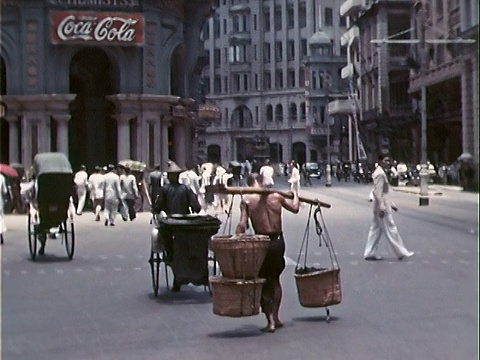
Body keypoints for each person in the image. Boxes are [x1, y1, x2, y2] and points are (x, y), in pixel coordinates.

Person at [235, 173, 300, 333]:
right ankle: (276, 317)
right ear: (262, 182)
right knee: (276, 279)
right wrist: (296, 195)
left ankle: (270, 320)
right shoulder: (277, 196)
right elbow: (296, 208)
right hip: (278, 241)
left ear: (249, 183)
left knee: (263, 280)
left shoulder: (247, 201)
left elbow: (242, 225)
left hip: (261, 243)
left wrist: (237, 235)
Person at [152, 160, 202, 292]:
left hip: (170, 224)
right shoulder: (186, 189)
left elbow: (157, 207)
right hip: (185, 224)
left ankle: (173, 263)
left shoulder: (164, 190)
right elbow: (196, 208)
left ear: (169, 176)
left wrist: (156, 209)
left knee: (170, 247)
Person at [364, 155, 414, 261]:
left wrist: (391, 204)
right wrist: (382, 206)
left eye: (388, 160)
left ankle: (369, 253)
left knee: (375, 230)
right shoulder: (380, 174)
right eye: (385, 160)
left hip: (380, 205)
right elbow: (378, 192)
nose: (387, 162)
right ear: (380, 161)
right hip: (381, 207)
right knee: (391, 229)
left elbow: (382, 192)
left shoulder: (380, 172)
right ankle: (401, 252)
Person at [0, 173, 8, 244]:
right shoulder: (1, 177)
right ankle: (1, 234)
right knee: (0, 218)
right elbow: (5, 191)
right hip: (0, 202)